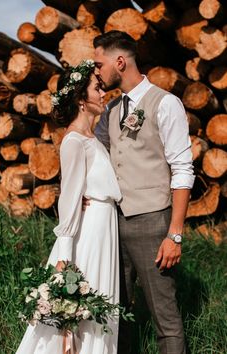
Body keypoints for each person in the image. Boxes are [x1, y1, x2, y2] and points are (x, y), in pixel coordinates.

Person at [93, 31, 195, 354]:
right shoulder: (110, 110)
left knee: (164, 318)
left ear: (119, 62)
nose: (97, 71)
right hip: (114, 226)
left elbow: (182, 170)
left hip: (153, 223)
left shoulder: (165, 104)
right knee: (116, 314)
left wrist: (174, 234)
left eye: (100, 64)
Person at [15, 60, 122, 354]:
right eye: (97, 88)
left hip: (104, 231)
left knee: (103, 318)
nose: (103, 93)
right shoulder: (74, 141)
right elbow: (69, 201)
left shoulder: (93, 139)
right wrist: (64, 264)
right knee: (84, 322)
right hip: (87, 239)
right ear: (80, 99)